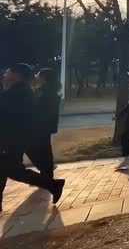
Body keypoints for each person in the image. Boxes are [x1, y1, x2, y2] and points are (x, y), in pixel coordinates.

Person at [1, 64, 65, 212]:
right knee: (9, 170)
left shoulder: (19, 93)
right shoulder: (22, 91)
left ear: (17, 75)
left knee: (14, 171)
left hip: (10, 141)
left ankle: (53, 185)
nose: (5, 73)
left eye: (8, 71)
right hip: (13, 140)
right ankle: (53, 185)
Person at [25, 68, 61, 179]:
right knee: (45, 150)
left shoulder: (44, 92)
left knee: (32, 148)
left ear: (44, 78)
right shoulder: (48, 90)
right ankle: (47, 172)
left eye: (38, 75)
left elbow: (36, 108)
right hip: (45, 126)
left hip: (41, 126)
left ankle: (46, 171)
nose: (36, 76)